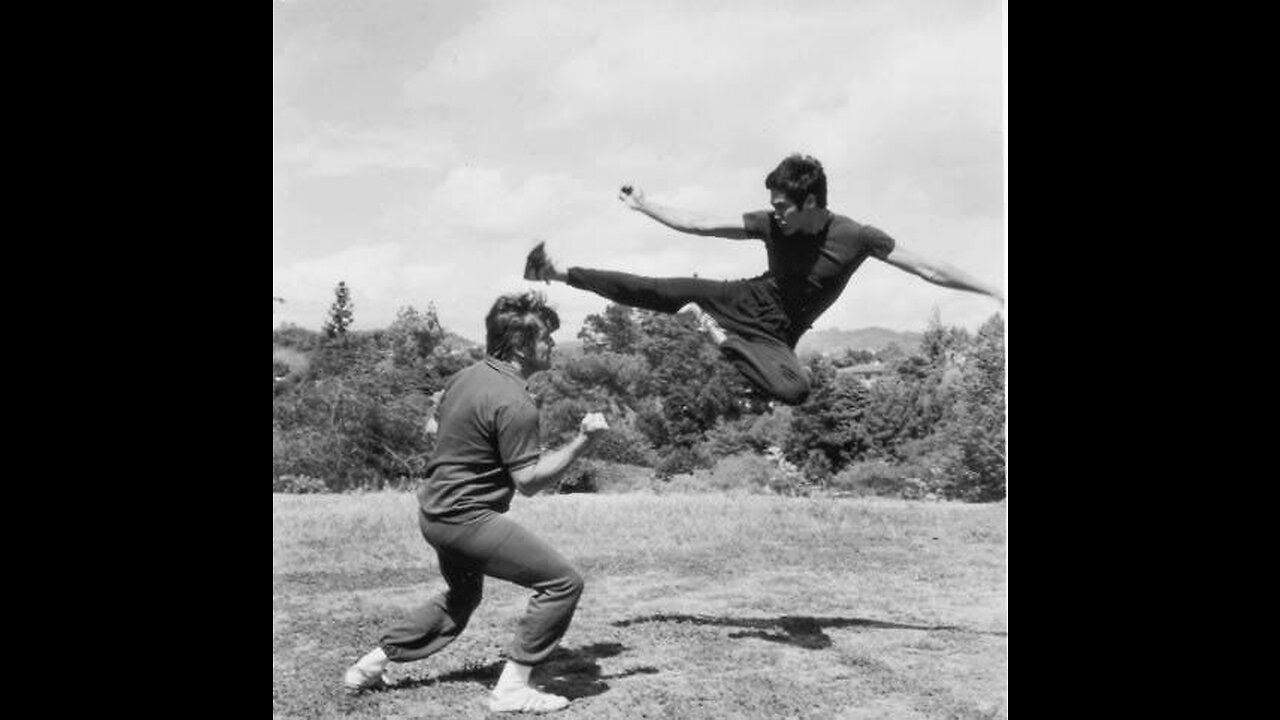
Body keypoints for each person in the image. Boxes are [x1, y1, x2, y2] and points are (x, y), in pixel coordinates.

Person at [523, 153, 1004, 405]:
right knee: (653, 289)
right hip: (740, 303)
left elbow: (928, 267)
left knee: (796, 391)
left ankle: (715, 337)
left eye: (782, 206)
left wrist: (995, 290)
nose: (774, 213)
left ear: (811, 202)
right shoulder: (772, 224)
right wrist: (645, 204)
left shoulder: (856, 237)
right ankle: (557, 272)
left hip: (775, 339)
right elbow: (701, 224)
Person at [343, 291, 609, 714]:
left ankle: (367, 667)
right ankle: (512, 689)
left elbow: (433, 426)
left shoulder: (466, 377)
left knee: (462, 598)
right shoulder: (515, 401)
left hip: (434, 512)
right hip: (466, 519)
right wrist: (583, 441)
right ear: (521, 345)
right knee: (562, 582)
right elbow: (529, 482)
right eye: (546, 338)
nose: (553, 345)